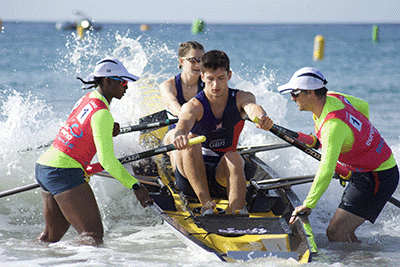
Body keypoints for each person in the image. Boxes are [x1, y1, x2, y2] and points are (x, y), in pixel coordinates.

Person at [35, 57, 153, 245]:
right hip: (63, 172)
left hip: (45, 166)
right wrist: (135, 185)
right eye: (123, 82)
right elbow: (107, 161)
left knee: (50, 238)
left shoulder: (88, 99)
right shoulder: (103, 114)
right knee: (92, 236)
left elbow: (81, 127)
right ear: (108, 81)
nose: (127, 87)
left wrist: (106, 129)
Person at [278, 67, 399, 242]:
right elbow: (363, 106)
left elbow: (326, 169)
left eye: (295, 93)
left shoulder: (332, 127)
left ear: (311, 93)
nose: (292, 98)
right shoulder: (333, 97)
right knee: (346, 232)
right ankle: (364, 258)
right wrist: (361, 141)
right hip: (366, 170)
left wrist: (308, 204)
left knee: (335, 232)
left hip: (378, 177)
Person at [171, 50, 273, 215]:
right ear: (202, 77)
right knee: (191, 140)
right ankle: (206, 204)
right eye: (210, 79)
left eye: (221, 78)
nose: (215, 85)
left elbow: (252, 108)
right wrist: (179, 135)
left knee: (233, 156)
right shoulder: (194, 106)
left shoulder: (241, 97)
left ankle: (237, 211)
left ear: (229, 75)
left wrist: (261, 117)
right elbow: (182, 124)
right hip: (192, 178)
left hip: (222, 176)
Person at [160, 41, 205, 166]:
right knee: (175, 135)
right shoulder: (168, 85)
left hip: (201, 137)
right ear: (181, 61)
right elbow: (171, 103)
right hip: (175, 136)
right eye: (193, 60)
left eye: (201, 60)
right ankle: (180, 179)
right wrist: (186, 116)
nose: (198, 64)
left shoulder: (209, 85)